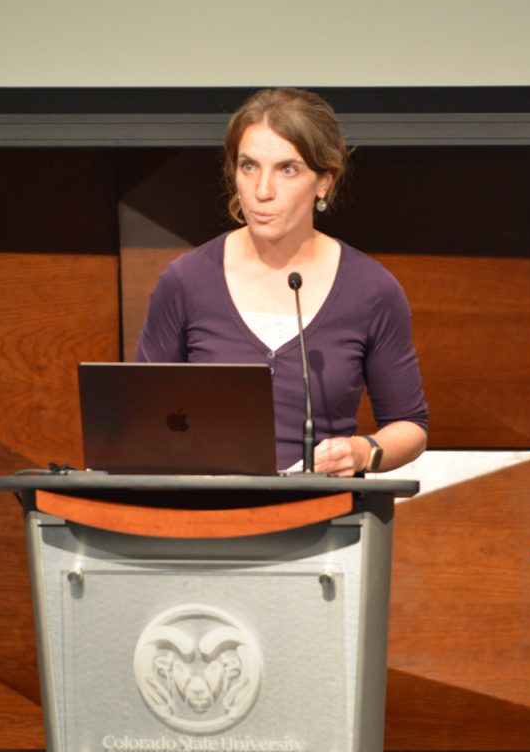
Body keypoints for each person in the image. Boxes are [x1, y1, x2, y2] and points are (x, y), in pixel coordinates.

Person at [136, 87, 427, 476]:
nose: (262, 191)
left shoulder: (372, 290)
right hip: (205, 516)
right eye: (249, 166)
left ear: (324, 181)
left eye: (287, 169)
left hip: (323, 520)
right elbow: (141, 417)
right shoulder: (187, 281)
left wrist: (362, 452)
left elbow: (410, 426)